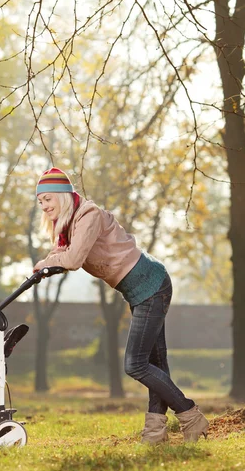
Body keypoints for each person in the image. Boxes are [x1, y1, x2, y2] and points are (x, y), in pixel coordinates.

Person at [33, 167, 209, 444]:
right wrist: (45, 264)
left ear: (63, 196)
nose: (44, 207)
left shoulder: (88, 215)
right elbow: (61, 253)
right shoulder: (68, 226)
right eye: (40, 201)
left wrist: (46, 264)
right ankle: (155, 434)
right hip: (139, 291)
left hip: (152, 285)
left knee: (136, 364)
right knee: (156, 365)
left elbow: (73, 259)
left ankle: (190, 414)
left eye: (48, 199)